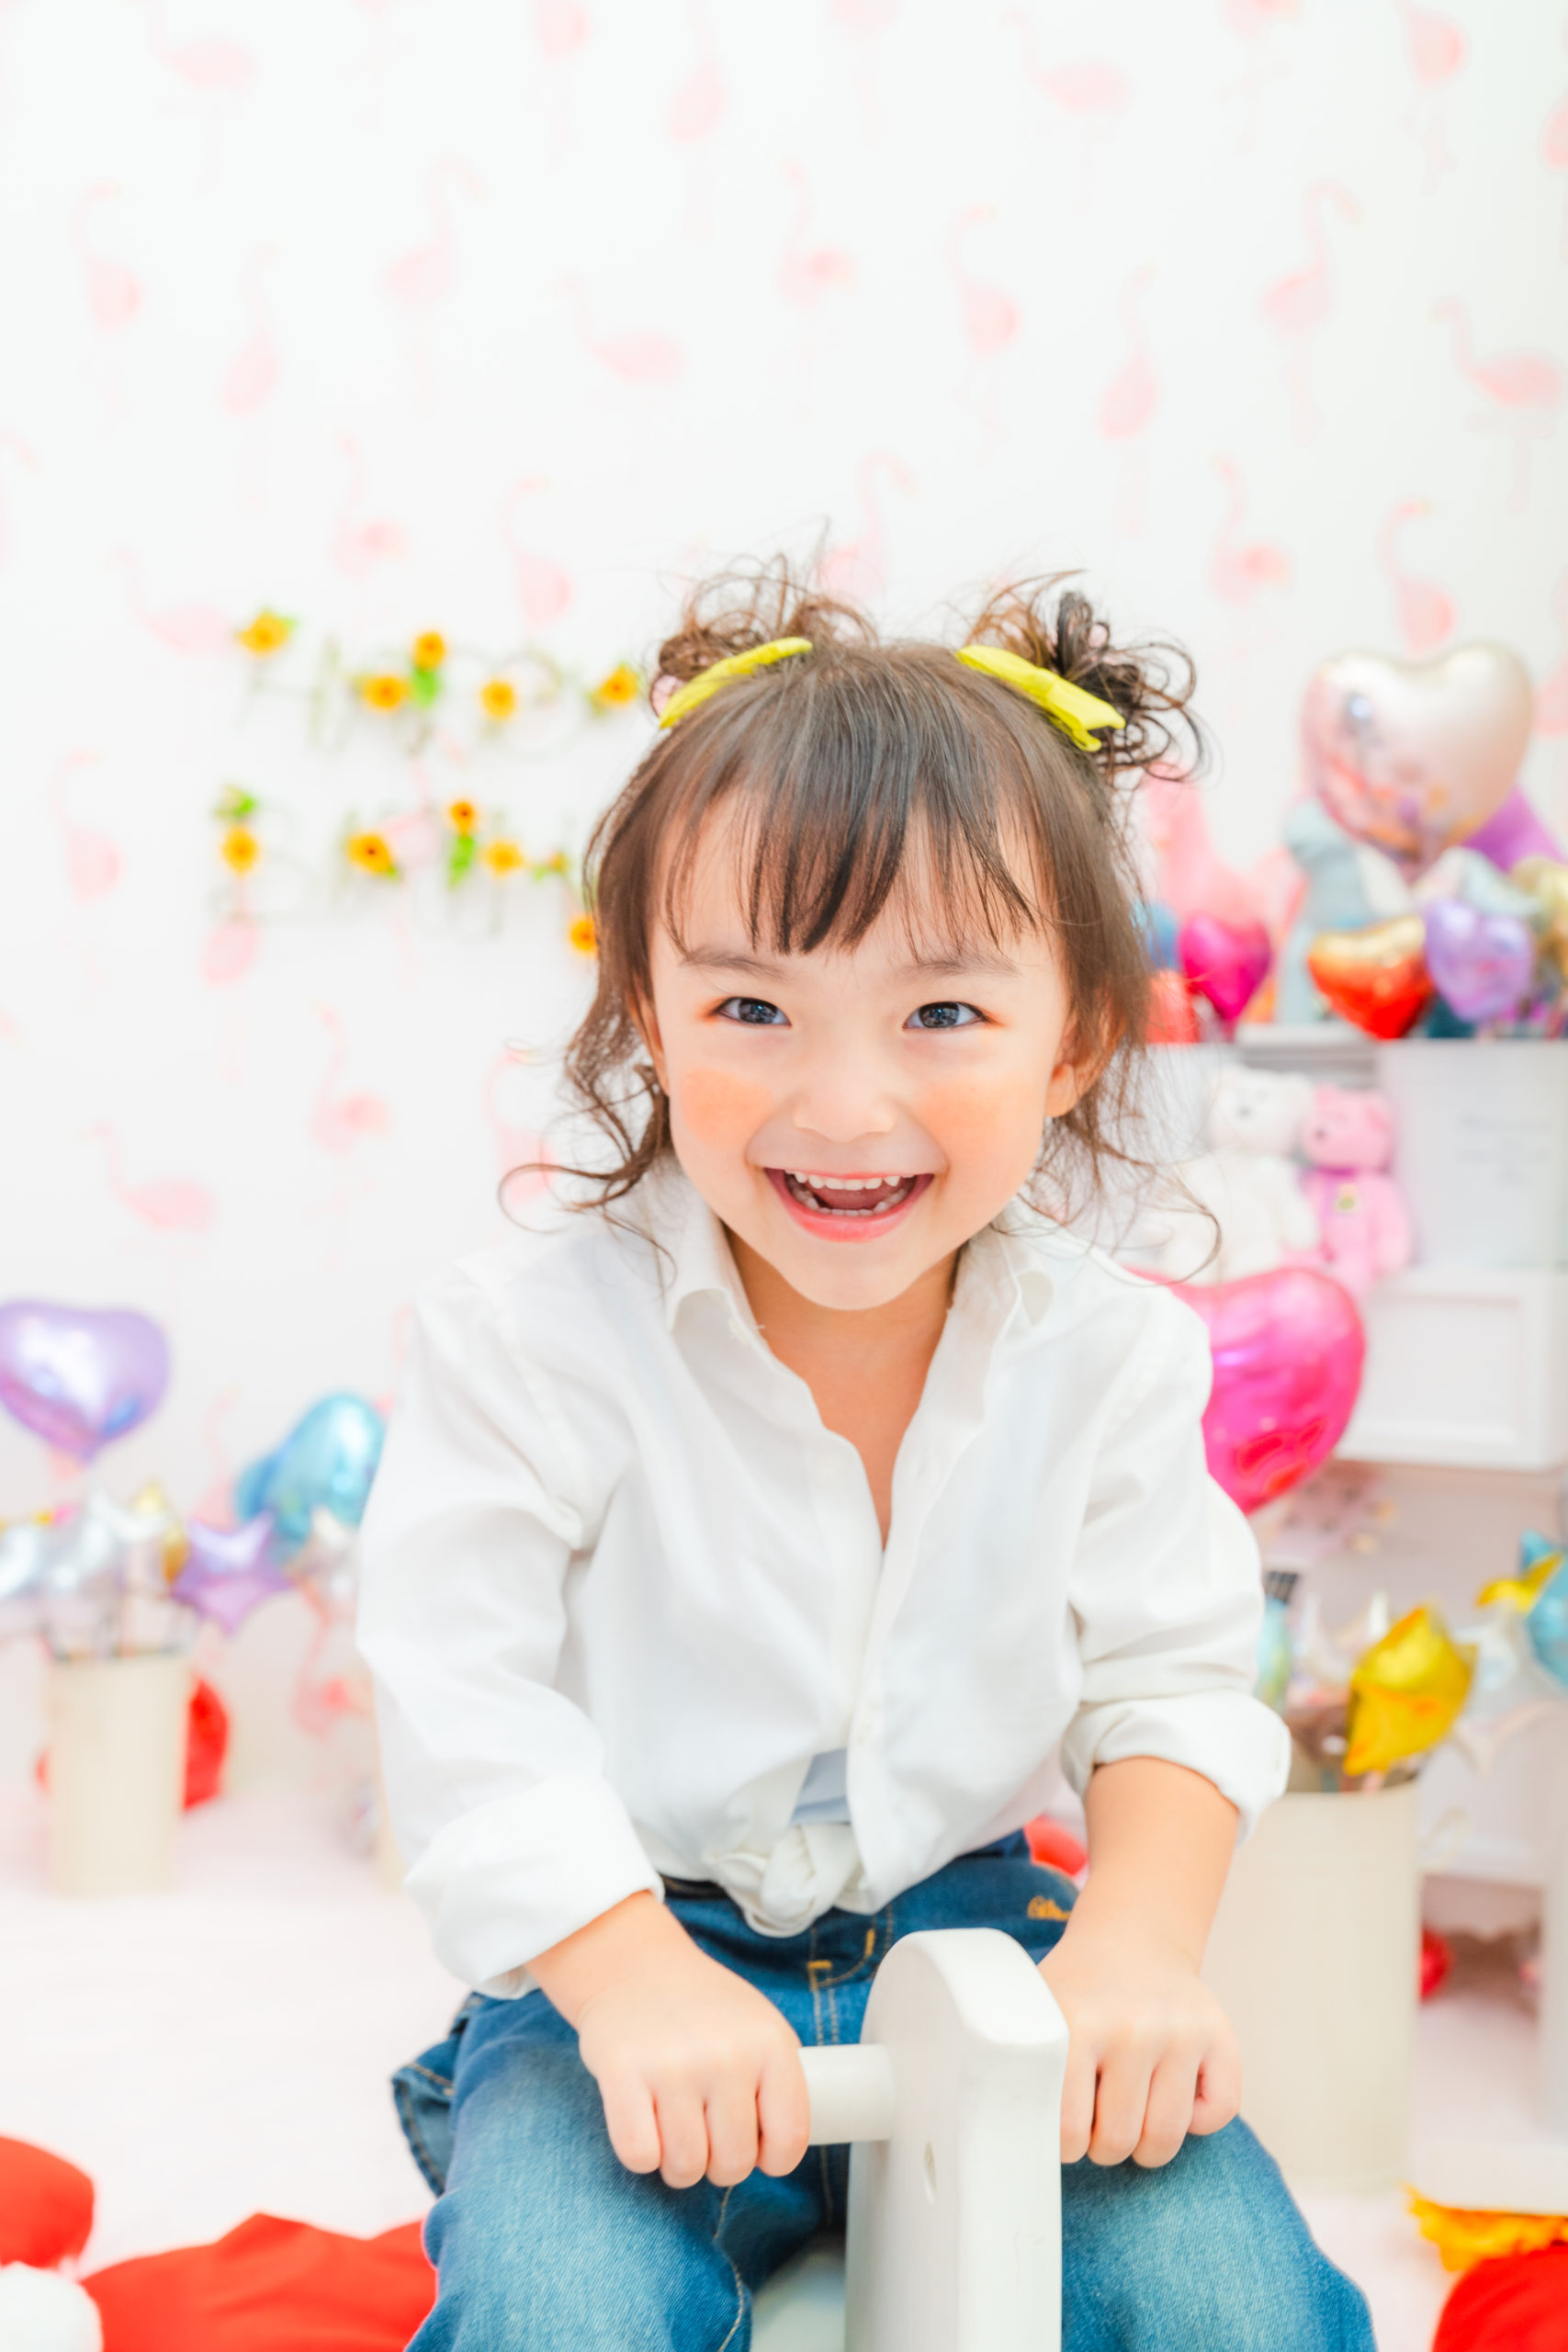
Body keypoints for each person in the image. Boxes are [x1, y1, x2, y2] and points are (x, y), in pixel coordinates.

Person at [358, 563, 1373, 2350]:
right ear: (647, 1009)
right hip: (629, 1949)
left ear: (1075, 1039)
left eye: (942, 1015)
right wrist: (627, 1978)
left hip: (982, 1940)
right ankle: (510, 2105)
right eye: (752, 1011)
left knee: (1235, 2301)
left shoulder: (1107, 1351)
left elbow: (1170, 1679)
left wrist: (1133, 1948)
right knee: (559, 2308)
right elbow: (462, 1705)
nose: (841, 1106)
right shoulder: (529, 1336)